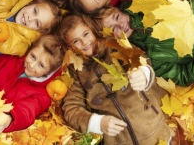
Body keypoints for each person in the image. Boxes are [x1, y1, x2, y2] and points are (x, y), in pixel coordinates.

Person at [57, 15, 171, 144]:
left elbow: (139, 58)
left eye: (86, 34)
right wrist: (97, 123)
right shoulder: (76, 70)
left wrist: (143, 73)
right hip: (118, 139)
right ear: (69, 47)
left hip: (152, 127)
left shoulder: (114, 45)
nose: (84, 43)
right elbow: (72, 107)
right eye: (76, 41)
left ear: (93, 30)